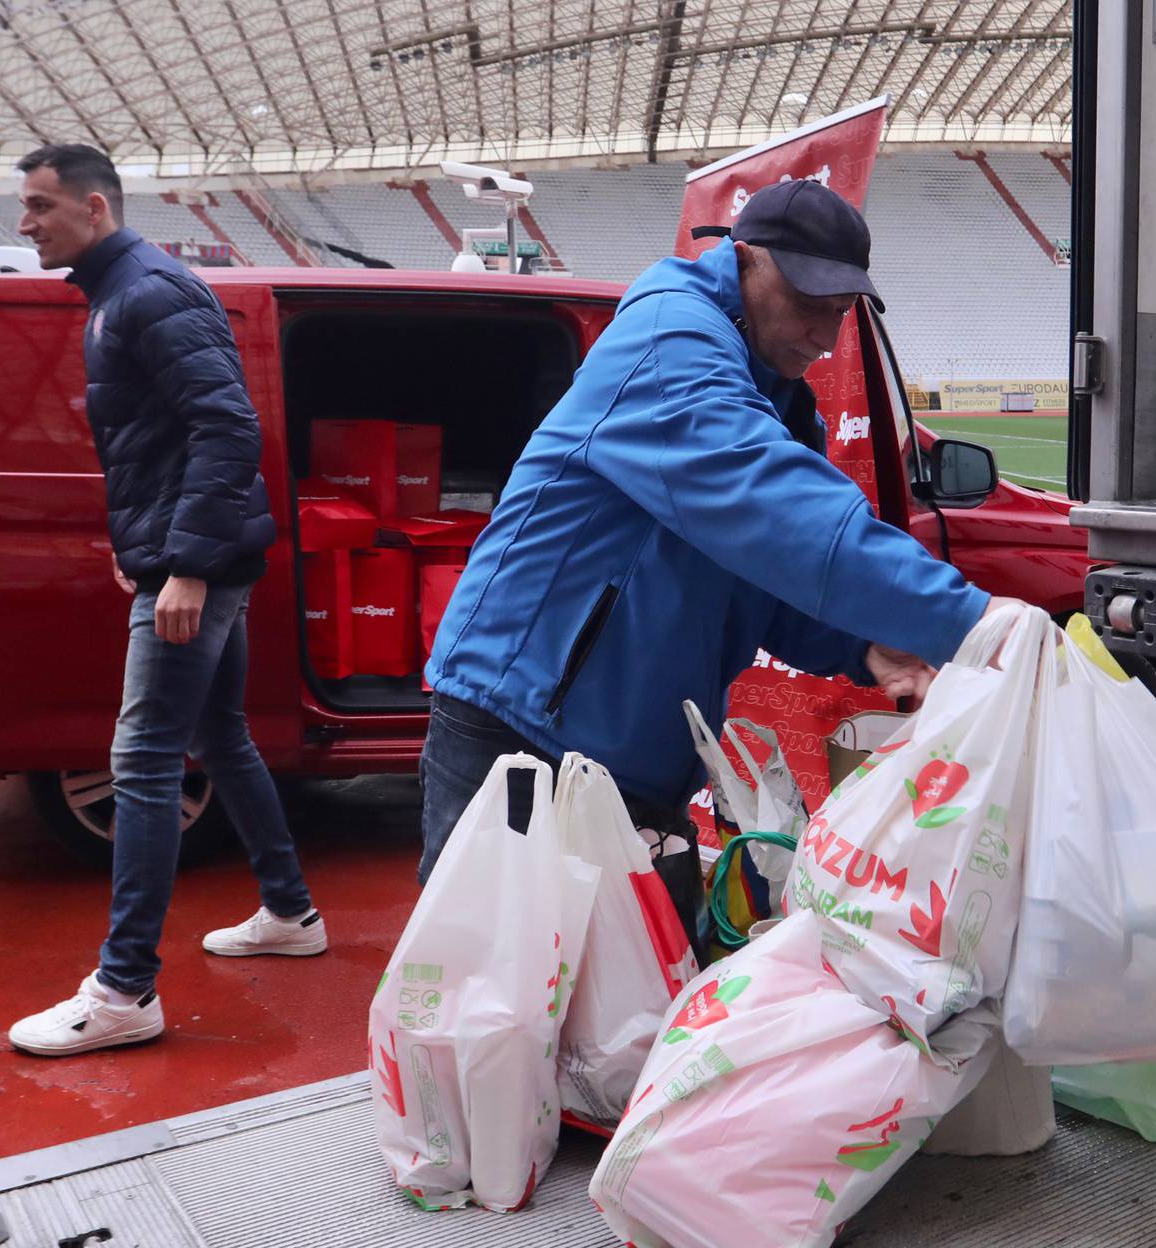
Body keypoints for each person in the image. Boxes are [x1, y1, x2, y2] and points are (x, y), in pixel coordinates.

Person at [420, 179, 1022, 910]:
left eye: (839, 315)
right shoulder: (670, 338)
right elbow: (777, 509)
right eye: (808, 305)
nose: (824, 339)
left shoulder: (771, 391)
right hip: (524, 726)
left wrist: (863, 645)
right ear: (745, 260)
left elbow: (758, 577)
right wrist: (977, 626)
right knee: (492, 994)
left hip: (633, 755)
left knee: (626, 1004)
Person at [7, 144, 324, 1058]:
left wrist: (182, 565)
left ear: (94, 207)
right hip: (190, 553)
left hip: (201, 566)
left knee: (143, 761)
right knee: (218, 735)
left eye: (39, 206)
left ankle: (124, 990)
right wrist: (140, 546)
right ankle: (290, 911)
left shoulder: (147, 291)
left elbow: (227, 427)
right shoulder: (120, 293)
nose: (25, 223)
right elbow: (157, 442)